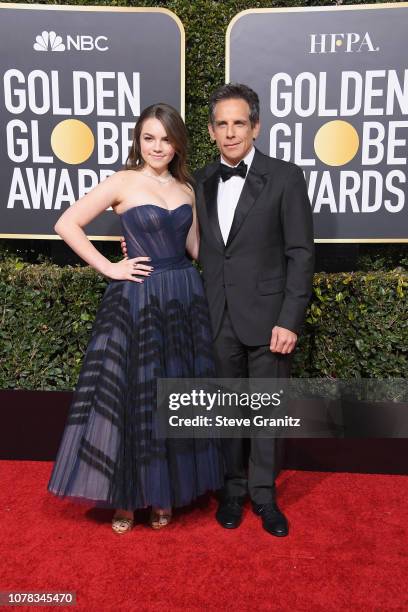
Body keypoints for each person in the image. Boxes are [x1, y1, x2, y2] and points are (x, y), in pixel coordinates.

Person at [48, 103, 224, 534]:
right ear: (138, 140)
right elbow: (67, 224)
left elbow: (197, 248)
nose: (158, 146)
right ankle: (126, 500)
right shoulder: (122, 182)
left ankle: (163, 495)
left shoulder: (188, 188)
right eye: (149, 137)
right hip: (138, 298)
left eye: (166, 138)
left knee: (174, 391)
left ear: (178, 142)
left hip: (183, 295)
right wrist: (109, 267)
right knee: (133, 394)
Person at [196, 83, 314, 537]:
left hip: (269, 320)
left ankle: (264, 497)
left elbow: (301, 253)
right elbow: (196, 244)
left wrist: (290, 318)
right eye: (221, 124)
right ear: (211, 130)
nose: (230, 133)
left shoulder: (285, 177)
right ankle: (232, 490)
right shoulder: (202, 180)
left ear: (256, 126)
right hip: (217, 314)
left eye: (238, 123)